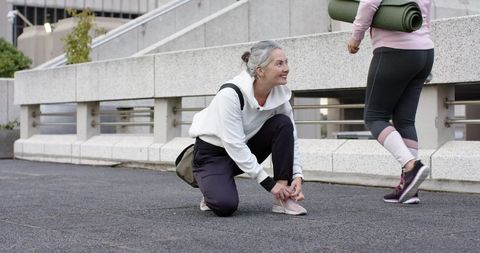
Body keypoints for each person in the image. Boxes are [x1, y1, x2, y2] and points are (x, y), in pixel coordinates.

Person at [188, 40, 307, 217]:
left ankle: (283, 197)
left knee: (282, 123)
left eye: (286, 62)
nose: (286, 68)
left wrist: (296, 175)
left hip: (244, 146)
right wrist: (269, 184)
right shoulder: (230, 93)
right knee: (225, 205)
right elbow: (234, 144)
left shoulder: (280, 94)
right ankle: (211, 189)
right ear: (260, 70)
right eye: (279, 63)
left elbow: (291, 137)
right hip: (212, 154)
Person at [347, 0, 434, 204]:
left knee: (374, 117)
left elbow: (368, 4)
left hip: (394, 51)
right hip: (425, 52)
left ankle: (411, 166)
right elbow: (426, 16)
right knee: (405, 121)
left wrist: (355, 37)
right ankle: (408, 187)